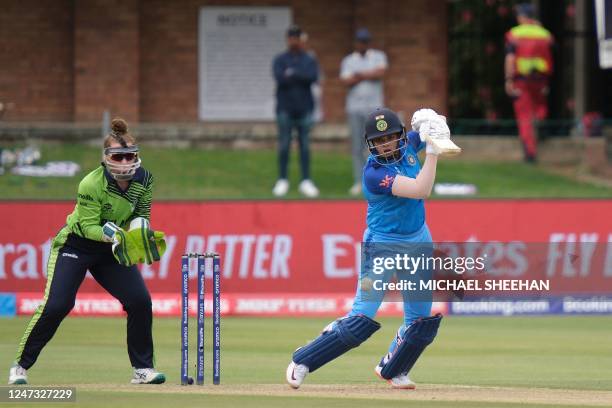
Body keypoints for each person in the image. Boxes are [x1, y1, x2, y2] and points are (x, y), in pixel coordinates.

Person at [286, 107, 451, 389]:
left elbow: (439, 128)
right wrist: (433, 152)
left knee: (421, 320)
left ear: (400, 135)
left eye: (390, 137)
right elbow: (421, 189)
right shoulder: (375, 174)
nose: (385, 144)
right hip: (382, 247)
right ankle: (303, 360)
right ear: (370, 145)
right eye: (378, 140)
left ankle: (394, 369)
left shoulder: (410, 143)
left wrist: (435, 122)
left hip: (418, 241)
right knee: (360, 320)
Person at [8, 118, 167, 385]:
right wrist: (115, 234)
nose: (126, 162)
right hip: (75, 245)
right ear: (106, 158)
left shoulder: (145, 179)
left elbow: (142, 213)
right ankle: (20, 367)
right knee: (58, 305)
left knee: (140, 301)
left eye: (131, 156)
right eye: (119, 156)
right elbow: (88, 225)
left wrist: (140, 232)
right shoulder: (90, 184)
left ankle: (142, 369)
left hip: (111, 250)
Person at [272, 24, 320, 198]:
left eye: (296, 37)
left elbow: (312, 77)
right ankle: (282, 179)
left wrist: (292, 74)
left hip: (304, 108)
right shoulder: (280, 59)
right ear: (287, 39)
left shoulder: (309, 59)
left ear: (301, 39)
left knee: (305, 146)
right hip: (285, 108)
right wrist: (299, 75)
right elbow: (279, 78)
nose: (293, 40)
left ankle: (306, 180)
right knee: (284, 146)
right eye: (290, 37)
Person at [340, 28, 388, 195]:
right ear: (356, 43)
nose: (363, 44)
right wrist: (368, 74)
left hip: (374, 109)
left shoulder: (378, 56)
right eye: (361, 41)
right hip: (354, 108)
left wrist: (359, 75)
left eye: (366, 41)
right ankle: (359, 181)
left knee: (376, 144)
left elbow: (380, 73)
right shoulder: (348, 60)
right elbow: (346, 80)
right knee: (357, 146)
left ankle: (377, 179)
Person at [505, 3, 553, 163]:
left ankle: (530, 151)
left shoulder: (515, 34)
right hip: (540, 80)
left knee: (524, 115)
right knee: (539, 109)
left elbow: (511, 59)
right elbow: (550, 56)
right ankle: (540, 127)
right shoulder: (544, 34)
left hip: (522, 80)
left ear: (522, 16)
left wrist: (508, 80)